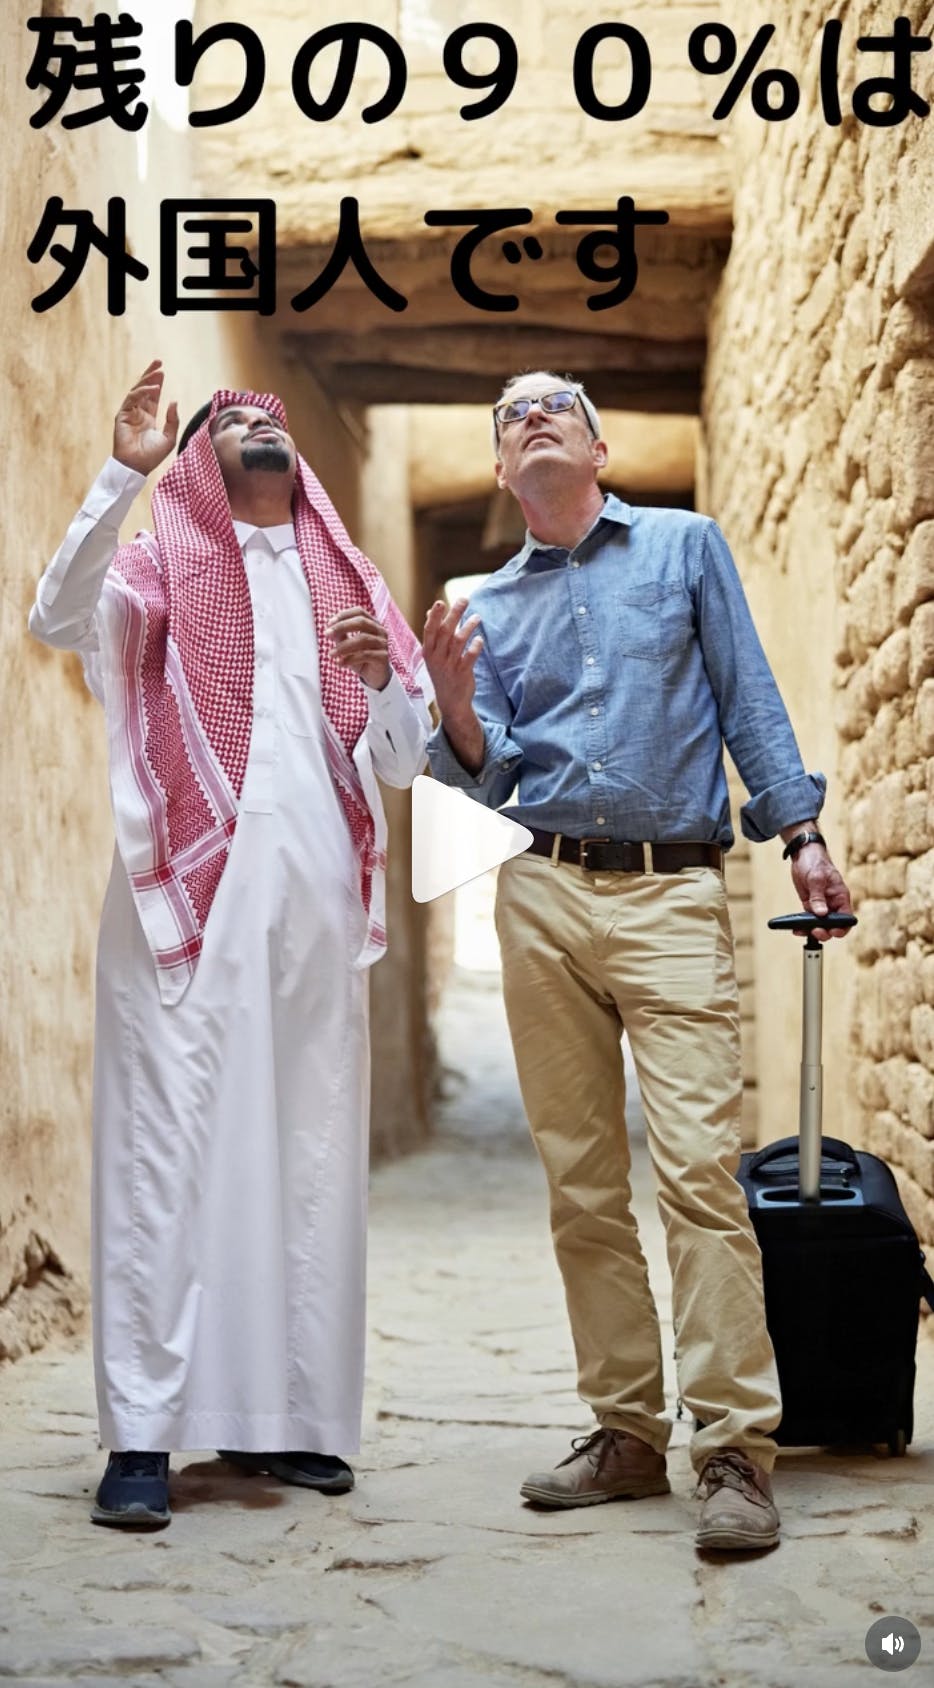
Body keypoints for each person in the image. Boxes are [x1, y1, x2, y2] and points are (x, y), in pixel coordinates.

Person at [422, 370, 853, 1553]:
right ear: (502, 470)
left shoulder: (683, 547)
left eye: (555, 404)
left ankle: (733, 1447)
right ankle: (623, 1430)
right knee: (580, 1180)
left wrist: (800, 833)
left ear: (598, 448)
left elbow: (747, 693)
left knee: (700, 1173)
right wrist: (455, 709)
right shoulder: (482, 603)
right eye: (510, 414)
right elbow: (485, 778)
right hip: (541, 890)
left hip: (672, 888)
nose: (531, 414)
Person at [29, 362, 431, 1529]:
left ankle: (284, 1419)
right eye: (234, 419)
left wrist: (383, 681)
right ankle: (141, 1434)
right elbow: (58, 616)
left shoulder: (347, 579)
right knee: (163, 1148)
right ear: (199, 461)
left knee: (304, 1150)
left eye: (272, 418)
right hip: (184, 907)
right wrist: (123, 475)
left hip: (315, 907)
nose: (260, 425)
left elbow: (402, 759)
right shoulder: (158, 563)